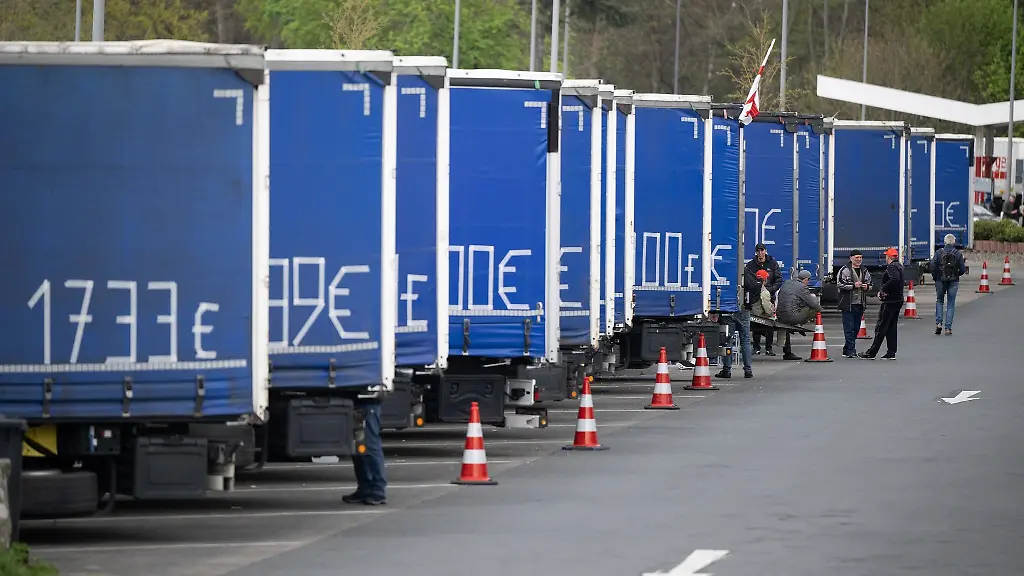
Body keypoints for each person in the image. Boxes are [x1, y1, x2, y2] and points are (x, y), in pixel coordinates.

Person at [859, 248, 905, 360]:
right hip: (897, 299)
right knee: (891, 327)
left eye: (886, 256)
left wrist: (883, 289)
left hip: (890, 301)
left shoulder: (891, 267)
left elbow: (894, 279)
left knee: (881, 327)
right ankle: (891, 351)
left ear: (888, 257)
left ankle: (872, 352)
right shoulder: (899, 266)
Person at [342, 394, 388, 505]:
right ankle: (365, 488)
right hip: (359, 399)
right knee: (359, 446)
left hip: (368, 399)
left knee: (370, 444)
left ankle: (377, 490)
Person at [715, 263, 758, 380]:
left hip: (728, 308)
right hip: (744, 308)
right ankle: (748, 370)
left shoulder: (724, 271)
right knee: (745, 340)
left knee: (727, 339)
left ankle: (727, 369)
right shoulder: (745, 271)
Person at [775, 269, 823, 360]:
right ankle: (799, 324)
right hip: (792, 317)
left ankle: (787, 352)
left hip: (780, 315)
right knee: (817, 308)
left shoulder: (787, 283)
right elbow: (813, 304)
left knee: (786, 326)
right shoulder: (802, 287)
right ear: (806, 279)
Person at [747, 243, 783, 356]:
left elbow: (778, 279)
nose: (760, 253)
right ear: (756, 252)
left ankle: (769, 347)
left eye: (762, 250)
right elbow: (747, 279)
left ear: (765, 251)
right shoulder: (751, 265)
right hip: (755, 296)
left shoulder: (772, 263)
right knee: (756, 321)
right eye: (758, 251)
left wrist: (772, 289)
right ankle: (756, 346)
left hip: (769, 295)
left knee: (769, 322)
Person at [836, 249, 872, 358]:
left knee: (856, 328)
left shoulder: (864, 270)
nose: (859, 260)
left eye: (860, 257)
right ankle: (851, 350)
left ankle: (846, 349)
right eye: (856, 257)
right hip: (847, 304)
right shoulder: (844, 270)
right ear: (851, 258)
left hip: (860, 303)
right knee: (849, 328)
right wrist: (853, 285)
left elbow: (870, 284)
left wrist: (867, 287)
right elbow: (840, 284)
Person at [931, 233, 967, 335]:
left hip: (940, 280)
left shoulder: (938, 252)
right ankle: (948, 328)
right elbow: (963, 269)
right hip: (953, 281)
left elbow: (933, 266)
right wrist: (956, 275)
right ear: (954, 242)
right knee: (950, 304)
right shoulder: (958, 254)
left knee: (939, 301)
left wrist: (935, 277)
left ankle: (938, 323)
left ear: (944, 242)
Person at [750, 269, 777, 355]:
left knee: (756, 331)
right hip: (762, 317)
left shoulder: (751, 288)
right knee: (770, 328)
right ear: (764, 279)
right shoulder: (764, 292)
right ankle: (768, 348)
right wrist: (771, 314)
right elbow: (767, 307)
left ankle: (756, 347)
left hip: (752, 316)